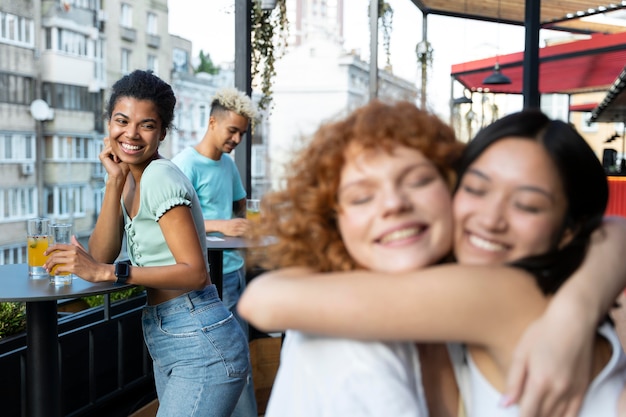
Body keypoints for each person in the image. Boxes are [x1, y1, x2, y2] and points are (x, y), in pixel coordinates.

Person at [239, 105, 626, 417]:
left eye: (419, 181)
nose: (394, 203)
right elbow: (263, 301)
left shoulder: (503, 291)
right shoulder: (344, 344)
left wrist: (579, 305)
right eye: (477, 189)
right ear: (331, 218)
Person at [44, 70, 250, 417]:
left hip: (199, 338)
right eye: (122, 121)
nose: (131, 134)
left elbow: (195, 273)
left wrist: (109, 273)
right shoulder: (132, 179)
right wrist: (115, 180)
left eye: (147, 125)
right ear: (108, 123)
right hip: (171, 331)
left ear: (162, 133)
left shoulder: (159, 176)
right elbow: (101, 252)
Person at [172, 87, 259, 417]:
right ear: (212, 122)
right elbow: (174, 220)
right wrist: (221, 224)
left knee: (240, 358)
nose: (236, 139)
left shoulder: (228, 165)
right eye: (232, 130)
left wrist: (237, 221)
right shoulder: (184, 164)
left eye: (241, 133)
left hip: (233, 273)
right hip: (204, 279)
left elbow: (239, 205)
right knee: (217, 361)